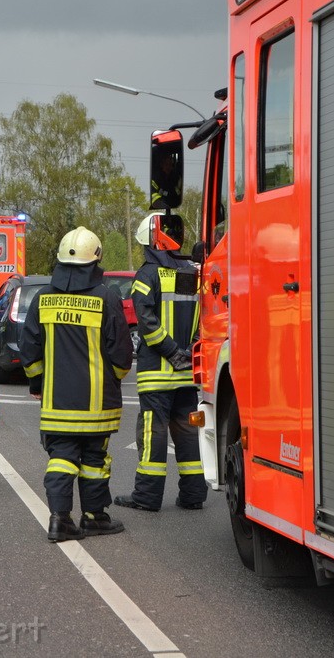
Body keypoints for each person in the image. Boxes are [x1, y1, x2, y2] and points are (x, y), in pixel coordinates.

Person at [19, 227, 134, 542]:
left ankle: (59, 519)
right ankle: (94, 517)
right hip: (97, 403)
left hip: (57, 402)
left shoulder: (43, 298)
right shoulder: (107, 298)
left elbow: (28, 349)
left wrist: (37, 382)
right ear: (95, 261)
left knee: (61, 457)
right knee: (95, 460)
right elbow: (122, 355)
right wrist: (114, 379)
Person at [115, 212, 205, 513]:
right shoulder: (191, 274)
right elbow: (200, 320)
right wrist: (187, 352)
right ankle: (194, 495)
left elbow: (147, 323)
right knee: (188, 434)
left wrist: (170, 352)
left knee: (153, 434)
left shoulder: (147, 275)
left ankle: (147, 496)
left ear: (151, 244)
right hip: (186, 374)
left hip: (158, 374)